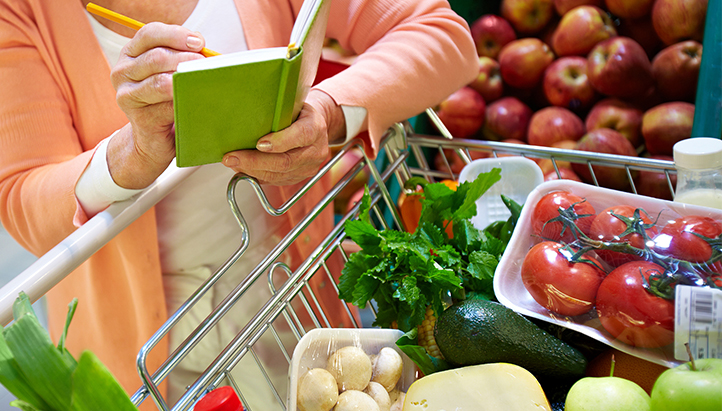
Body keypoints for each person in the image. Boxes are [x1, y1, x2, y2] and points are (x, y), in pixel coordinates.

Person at [0, 0, 478, 408]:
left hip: (303, 314)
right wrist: (133, 154)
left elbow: (440, 34)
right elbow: (23, 199)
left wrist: (329, 112)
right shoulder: (21, 14)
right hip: (145, 363)